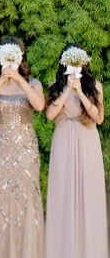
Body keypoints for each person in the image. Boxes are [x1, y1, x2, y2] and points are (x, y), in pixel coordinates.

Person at [0, 36, 45, 258]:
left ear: (21, 57)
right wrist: (2, 79)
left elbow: (39, 105)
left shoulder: (34, 83)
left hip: (26, 149)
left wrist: (18, 78)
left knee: (26, 197)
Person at [45, 43, 107, 258]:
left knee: (88, 193)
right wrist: (67, 90)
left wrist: (80, 92)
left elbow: (98, 118)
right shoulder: (54, 85)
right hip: (63, 139)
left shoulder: (94, 86)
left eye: (78, 61)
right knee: (64, 191)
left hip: (87, 139)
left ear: (84, 62)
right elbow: (50, 116)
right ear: (64, 63)